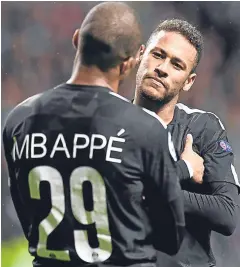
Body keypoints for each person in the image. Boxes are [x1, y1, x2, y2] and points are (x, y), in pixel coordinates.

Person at [2, 3, 185, 267]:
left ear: (77, 40)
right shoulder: (144, 128)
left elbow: (27, 217)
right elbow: (171, 237)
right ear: (129, 64)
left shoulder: (19, 120)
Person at [134, 19, 240, 267]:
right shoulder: (109, 123)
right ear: (141, 55)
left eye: (176, 65)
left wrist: (149, 192)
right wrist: (184, 172)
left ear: (189, 81)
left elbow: (227, 214)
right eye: (157, 55)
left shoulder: (202, 128)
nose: (162, 68)